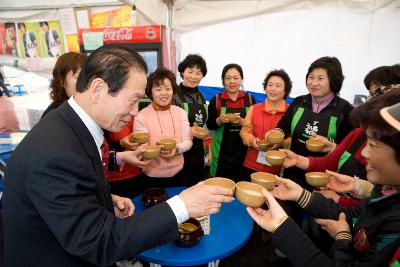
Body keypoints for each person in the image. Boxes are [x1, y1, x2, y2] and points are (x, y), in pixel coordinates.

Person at [3, 44, 233, 266]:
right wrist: (183, 205)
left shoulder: (68, 126)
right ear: (97, 89)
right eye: (133, 99)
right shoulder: (57, 153)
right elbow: (100, 242)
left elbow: (67, 197)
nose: (135, 111)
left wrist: (103, 200)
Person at [247, 88, 400, 266]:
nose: (364, 152)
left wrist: (342, 238)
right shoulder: (384, 189)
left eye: (374, 145)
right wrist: (300, 195)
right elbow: (356, 213)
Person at [275, 56, 354, 191]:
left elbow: (349, 149)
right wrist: (277, 132)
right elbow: (284, 126)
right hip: (292, 172)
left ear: (333, 81)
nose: (314, 83)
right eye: (311, 77)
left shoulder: (346, 110)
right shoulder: (299, 102)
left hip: (324, 181)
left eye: (320, 78)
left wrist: (330, 143)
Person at [134, 67, 192, 189]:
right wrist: (156, 150)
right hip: (152, 177)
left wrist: (176, 149)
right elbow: (141, 148)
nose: (164, 93)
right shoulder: (142, 116)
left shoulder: (180, 112)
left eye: (167, 88)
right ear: (150, 92)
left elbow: (188, 141)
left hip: (179, 173)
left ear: (173, 90)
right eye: (158, 89)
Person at [207, 63, 256, 182]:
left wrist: (242, 122)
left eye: (236, 78)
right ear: (223, 81)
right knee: (220, 186)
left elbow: (255, 126)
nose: (232, 81)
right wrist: (219, 120)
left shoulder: (249, 100)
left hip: (244, 152)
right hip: (221, 153)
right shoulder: (216, 100)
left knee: (242, 185)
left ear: (241, 79)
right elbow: (210, 125)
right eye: (228, 78)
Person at [240, 69, 291, 179]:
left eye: (278, 86)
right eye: (270, 85)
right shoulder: (254, 109)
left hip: (278, 167)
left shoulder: (291, 112)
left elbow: (293, 138)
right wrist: (253, 141)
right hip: (251, 164)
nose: (273, 89)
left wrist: (280, 143)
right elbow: (244, 132)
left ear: (285, 90)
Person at [172, 54, 208, 186]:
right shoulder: (174, 94)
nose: (193, 76)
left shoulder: (201, 95)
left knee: (197, 185)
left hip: (198, 150)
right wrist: (188, 130)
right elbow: (170, 123)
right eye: (190, 71)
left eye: (198, 73)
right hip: (180, 149)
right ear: (182, 72)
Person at [105, 117, 144, 198]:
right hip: (113, 179)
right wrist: (120, 157)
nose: (133, 112)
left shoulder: (132, 118)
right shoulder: (102, 121)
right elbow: (100, 152)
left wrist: (121, 144)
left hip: (135, 173)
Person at [41, 52, 87, 117]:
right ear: (62, 81)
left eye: (88, 76)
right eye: (78, 76)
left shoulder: (91, 107)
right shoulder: (53, 115)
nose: (85, 81)